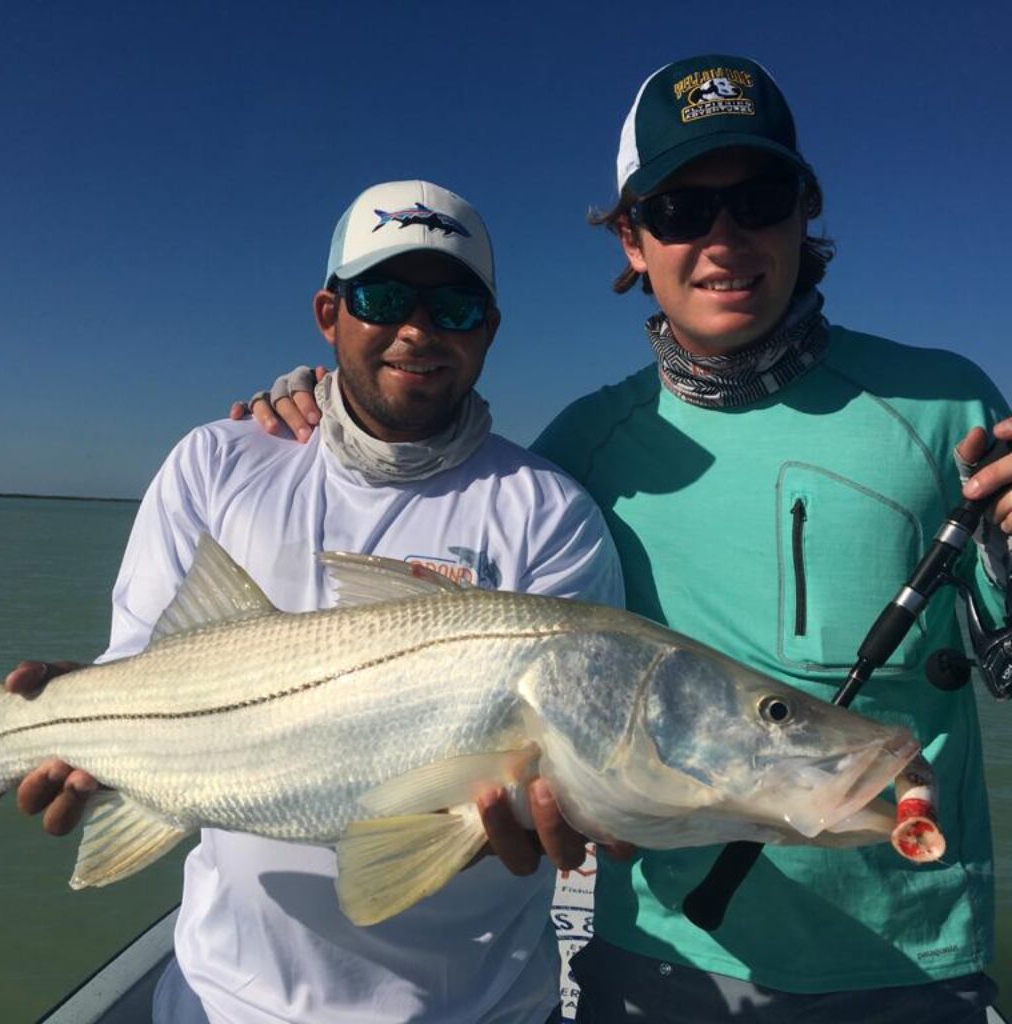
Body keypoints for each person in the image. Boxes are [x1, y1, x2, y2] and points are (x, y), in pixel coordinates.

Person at [245, 56, 1012, 1022]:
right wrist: (320, 396)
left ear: (805, 211)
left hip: (915, 957)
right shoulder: (580, 451)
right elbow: (425, 570)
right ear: (632, 240)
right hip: (653, 956)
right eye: (682, 211)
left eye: (760, 200)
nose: (724, 239)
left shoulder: (950, 406)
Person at [7, 179, 624, 1024]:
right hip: (222, 1001)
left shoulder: (548, 511)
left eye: (454, 306)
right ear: (328, 314)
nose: (417, 329)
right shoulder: (219, 463)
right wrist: (88, 747)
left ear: (490, 330)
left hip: (479, 1009)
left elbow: (564, 774)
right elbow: (137, 669)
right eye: (382, 297)